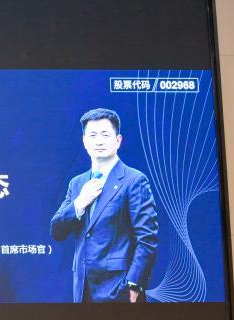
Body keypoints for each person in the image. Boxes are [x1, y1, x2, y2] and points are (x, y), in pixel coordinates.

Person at [50, 108, 158, 302]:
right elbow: (57, 231)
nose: (98, 141)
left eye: (105, 135)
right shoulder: (77, 183)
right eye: (92, 135)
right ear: (84, 141)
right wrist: (79, 203)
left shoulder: (134, 180)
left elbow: (147, 239)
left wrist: (134, 285)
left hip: (119, 290)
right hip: (82, 290)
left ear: (118, 140)